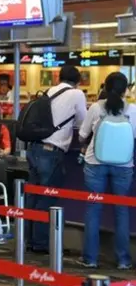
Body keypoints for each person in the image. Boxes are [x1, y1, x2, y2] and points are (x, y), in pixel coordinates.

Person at [26, 65, 87, 254]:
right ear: (77, 81)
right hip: (51, 151)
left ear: (59, 77)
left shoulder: (49, 91)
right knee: (46, 197)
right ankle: (41, 243)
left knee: (33, 196)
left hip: (34, 147)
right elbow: (82, 123)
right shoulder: (77, 94)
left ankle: (27, 239)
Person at [78, 72, 135, 269]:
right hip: (124, 165)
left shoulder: (95, 107)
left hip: (95, 163)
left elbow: (83, 134)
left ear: (105, 86)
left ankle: (90, 259)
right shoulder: (132, 110)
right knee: (121, 211)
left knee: (93, 210)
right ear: (126, 90)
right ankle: (123, 260)